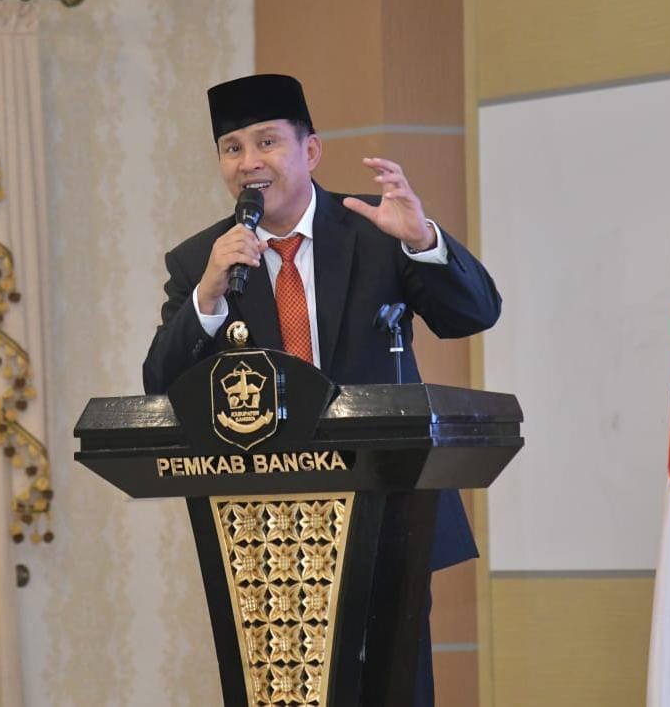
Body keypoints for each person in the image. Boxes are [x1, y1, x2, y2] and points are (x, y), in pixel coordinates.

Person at [142, 73, 501, 705]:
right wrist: (208, 295)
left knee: (392, 690)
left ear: (310, 151)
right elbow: (161, 386)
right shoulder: (203, 260)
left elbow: (474, 314)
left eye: (268, 142)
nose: (249, 162)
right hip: (265, 532)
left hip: (388, 511)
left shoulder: (377, 228)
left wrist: (422, 240)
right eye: (232, 148)